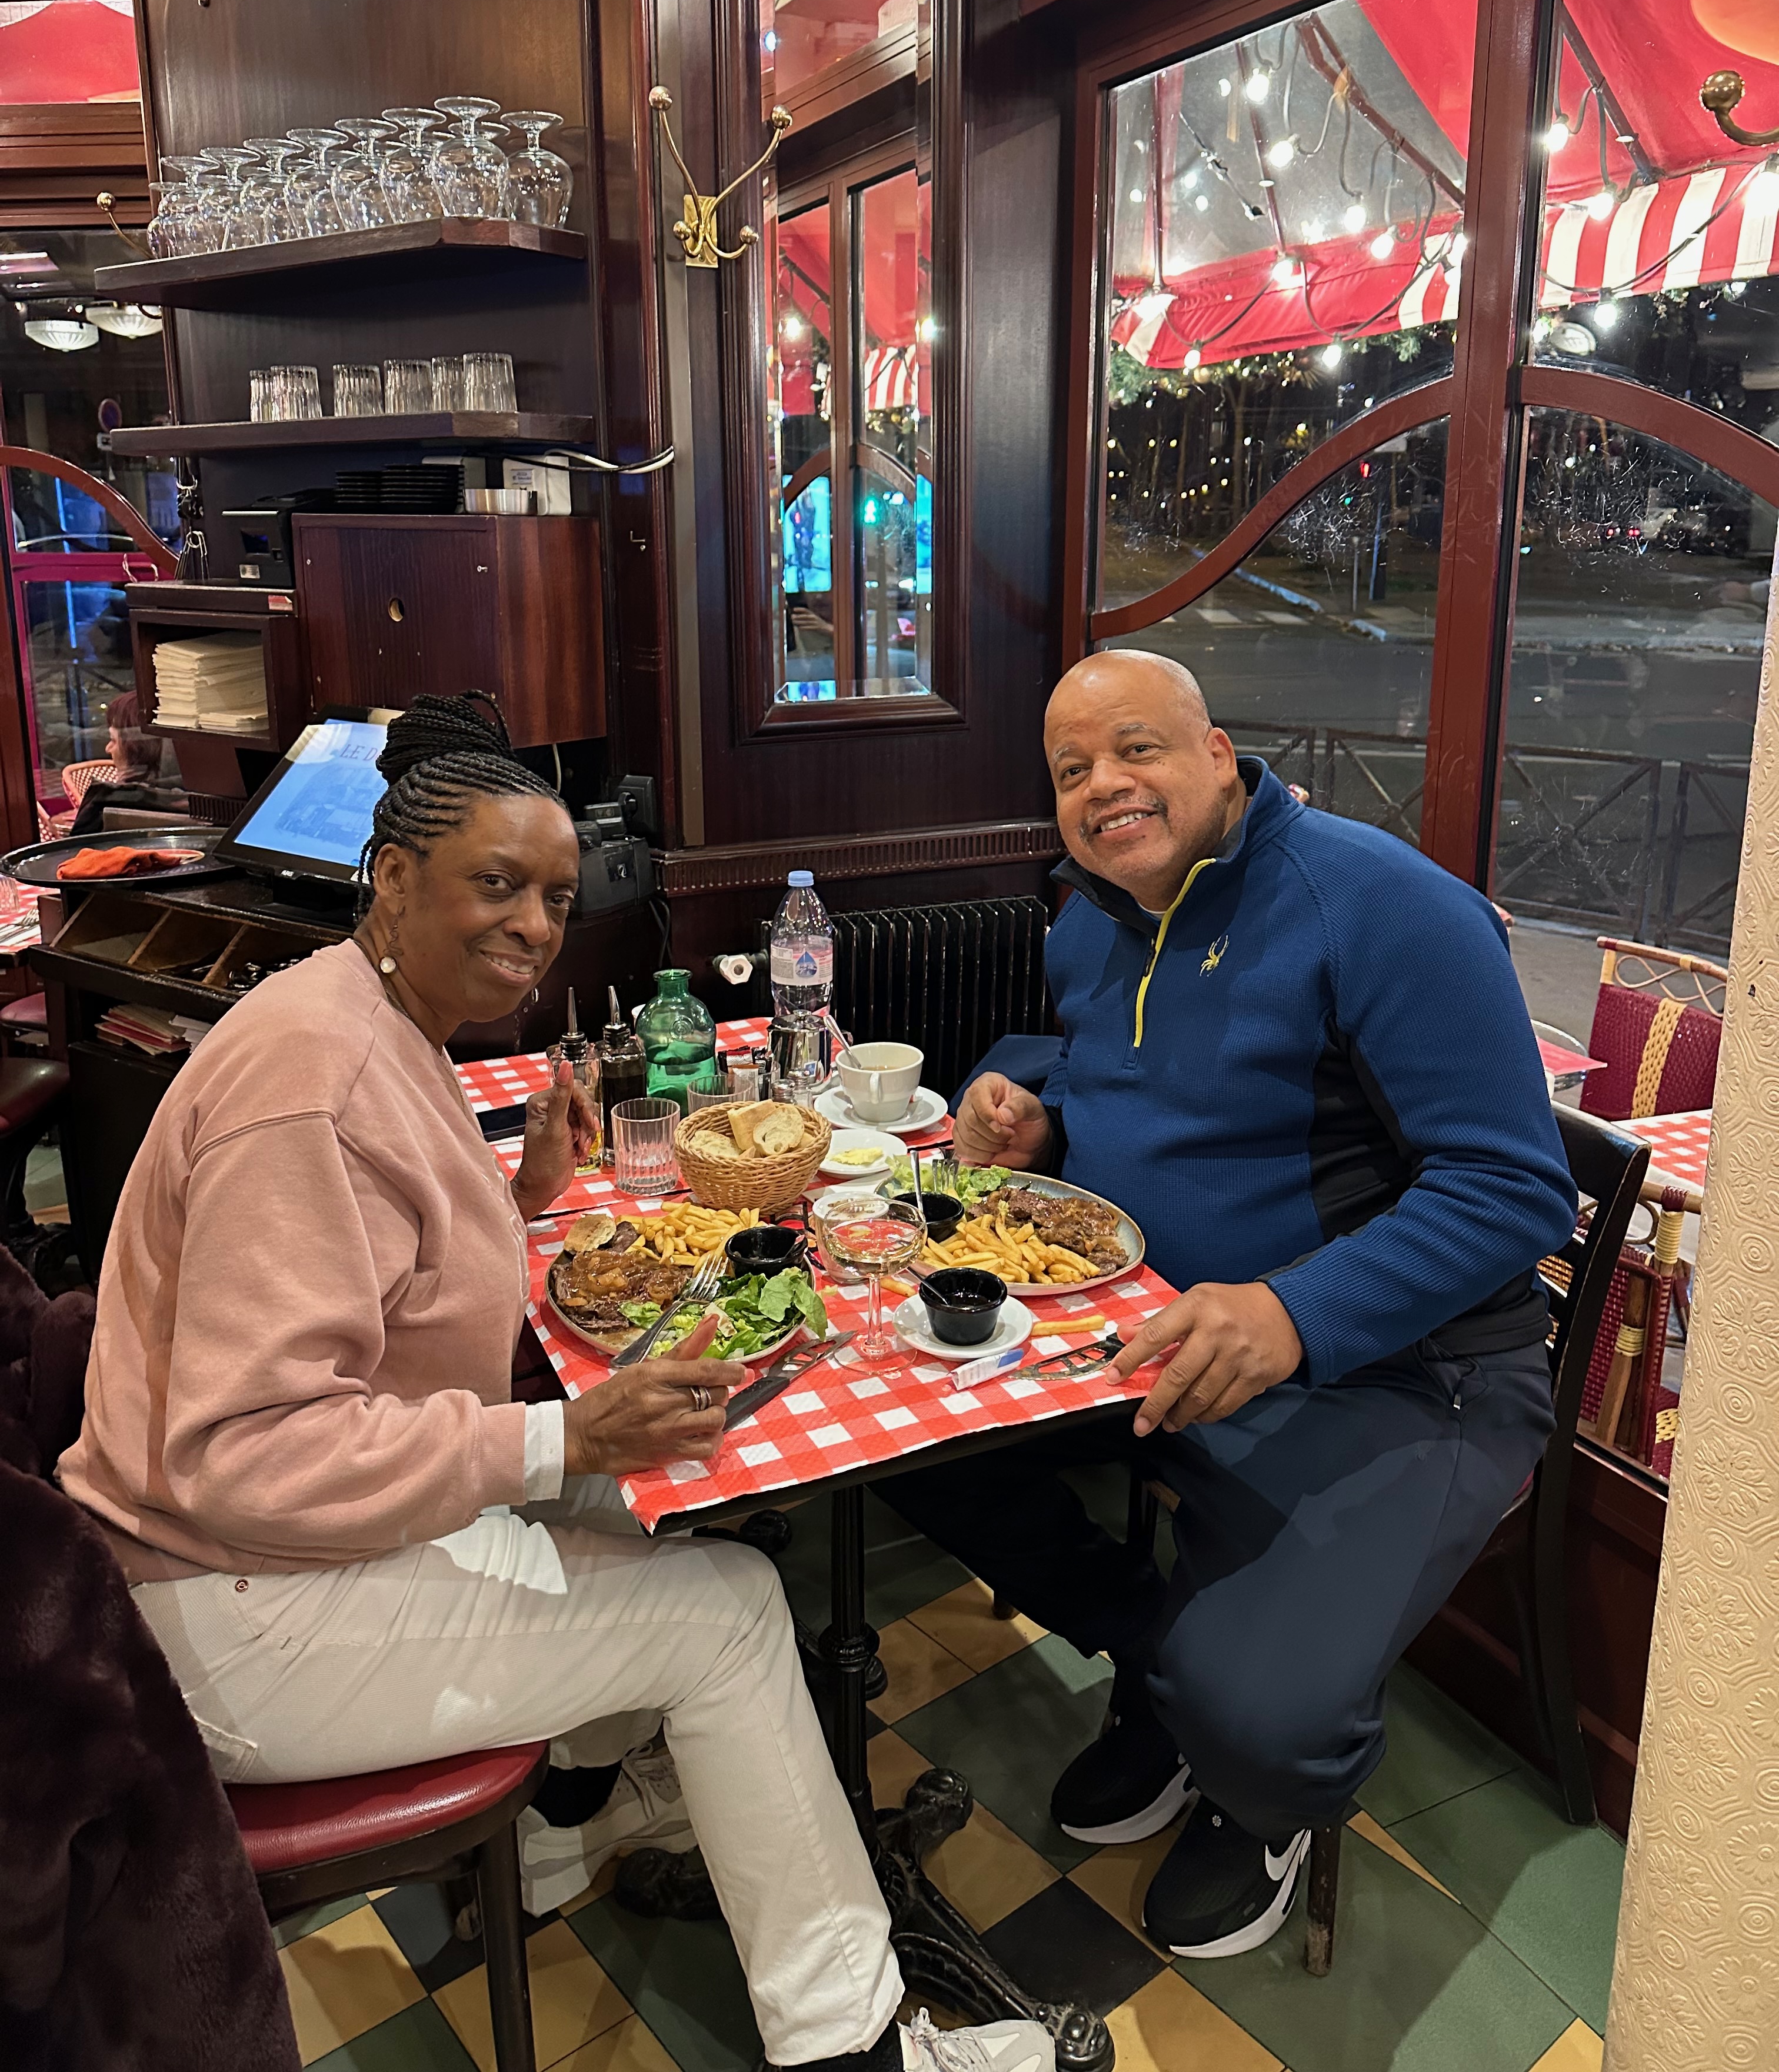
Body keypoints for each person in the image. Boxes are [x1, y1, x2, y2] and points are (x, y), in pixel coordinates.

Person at [59, 691, 1050, 2072]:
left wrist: (522, 1186)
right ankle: (858, 2046)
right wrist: (553, 1439)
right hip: (224, 1616)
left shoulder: (359, 1016)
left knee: (659, 1510)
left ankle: (564, 1828)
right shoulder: (314, 1080)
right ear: (393, 879)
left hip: (259, 1559)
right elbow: (246, 1454)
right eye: (495, 886)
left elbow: (385, 1274)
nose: (533, 925)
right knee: (728, 1608)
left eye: (553, 896)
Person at [877, 651, 1576, 1960]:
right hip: (1156, 1332)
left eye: (1134, 749)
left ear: (1217, 753)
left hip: (1408, 1372)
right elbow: (1125, 1072)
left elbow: (1515, 1189)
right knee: (906, 1446)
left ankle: (1255, 1790)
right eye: (1073, 770)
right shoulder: (1090, 912)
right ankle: (1161, 1671)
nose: (1104, 787)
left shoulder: (1388, 909)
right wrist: (1035, 1110)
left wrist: (1294, 1315)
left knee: (1258, 1710)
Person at [70, 689, 188, 834]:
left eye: (113, 740)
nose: (108, 749)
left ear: (137, 749)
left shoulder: (105, 806)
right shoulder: (202, 802)